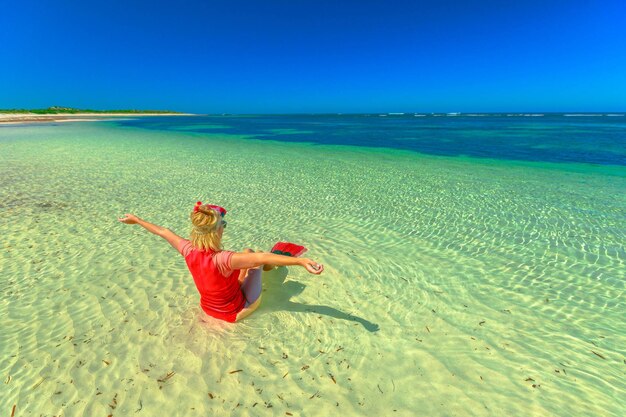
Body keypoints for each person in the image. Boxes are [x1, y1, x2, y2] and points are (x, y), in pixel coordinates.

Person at [118, 201, 324, 322]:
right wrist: (302, 262)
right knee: (257, 256)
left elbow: (163, 231)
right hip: (235, 312)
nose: (224, 227)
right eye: (223, 224)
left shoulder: (187, 249)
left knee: (248, 253)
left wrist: (136, 220)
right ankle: (278, 264)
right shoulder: (224, 259)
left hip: (208, 309)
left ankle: (274, 266)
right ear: (218, 230)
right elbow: (260, 258)